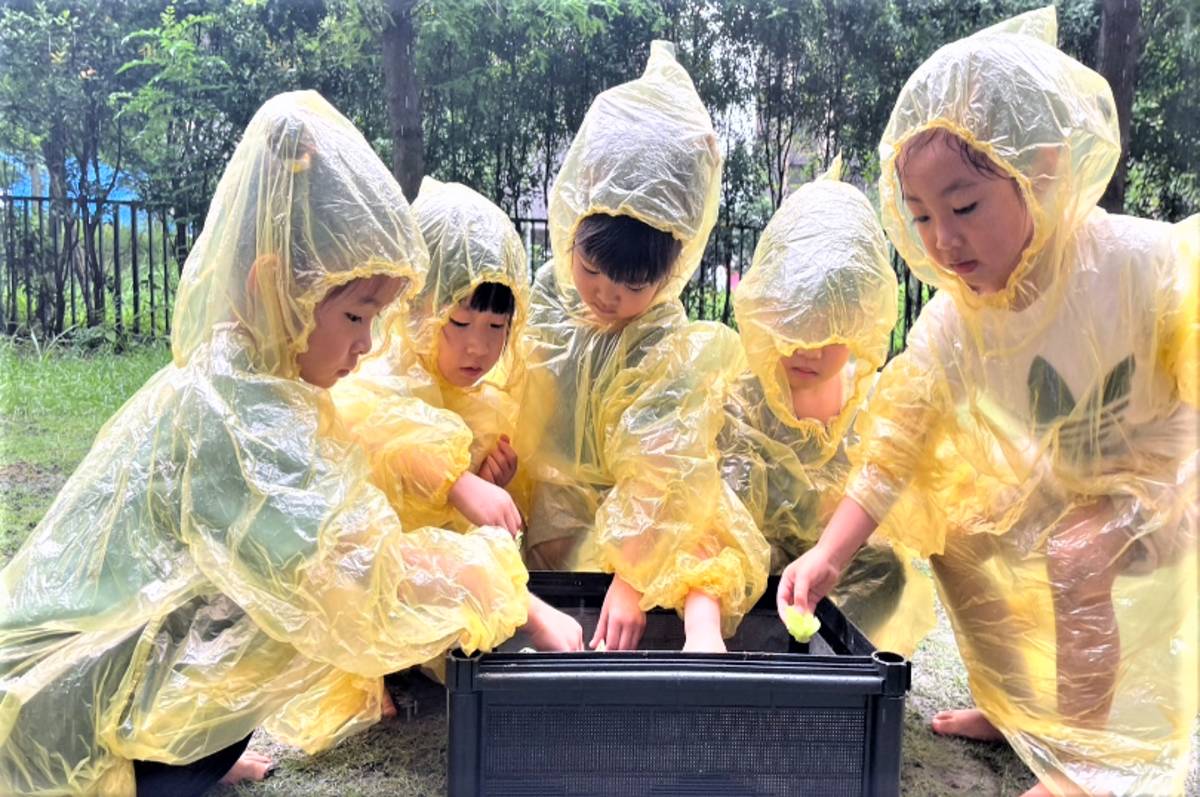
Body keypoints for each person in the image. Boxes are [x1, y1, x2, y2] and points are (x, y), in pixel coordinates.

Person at [0, 91, 544, 797]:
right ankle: (157, 771)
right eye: (354, 314)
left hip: (92, 682)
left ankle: (193, 760)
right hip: (52, 723)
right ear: (273, 289)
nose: (366, 342)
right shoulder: (235, 406)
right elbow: (355, 580)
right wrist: (508, 591)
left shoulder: (256, 375)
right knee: (300, 604)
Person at [778, 9, 1198, 795]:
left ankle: (1083, 767)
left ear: (1040, 170)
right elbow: (894, 447)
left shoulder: (1132, 265)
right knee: (962, 522)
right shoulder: (954, 323)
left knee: (1078, 550)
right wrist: (827, 556)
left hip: (1168, 487)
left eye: (964, 207)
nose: (942, 241)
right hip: (1067, 486)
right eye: (923, 215)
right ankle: (1015, 709)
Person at [515, 40, 769, 654]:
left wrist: (630, 577)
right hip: (548, 518)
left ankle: (701, 638)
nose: (607, 297)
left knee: (706, 510)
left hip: (634, 527)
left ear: (674, 265)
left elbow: (665, 467)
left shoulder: (663, 339)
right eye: (592, 270)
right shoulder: (547, 296)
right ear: (571, 225)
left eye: (633, 285)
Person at [334, 176, 583, 653]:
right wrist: (458, 482)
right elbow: (376, 429)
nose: (479, 346)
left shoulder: (484, 394)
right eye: (461, 322)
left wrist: (491, 478)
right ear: (418, 309)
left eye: (496, 326)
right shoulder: (384, 368)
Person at [719, 158, 934, 657]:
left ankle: (836, 659)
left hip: (835, 568)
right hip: (762, 569)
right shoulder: (746, 398)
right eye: (795, 329)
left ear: (860, 323)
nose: (807, 351)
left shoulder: (871, 402)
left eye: (827, 333)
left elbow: (891, 483)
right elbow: (725, 513)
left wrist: (830, 550)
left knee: (886, 570)